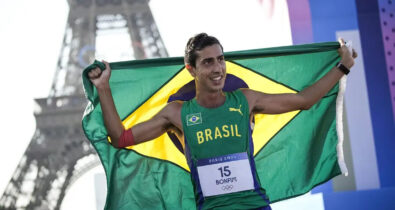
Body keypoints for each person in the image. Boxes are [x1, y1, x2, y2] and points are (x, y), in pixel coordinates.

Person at [88, 33, 357, 209]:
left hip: (255, 205)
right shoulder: (177, 113)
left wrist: (342, 67)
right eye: (207, 63)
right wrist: (103, 88)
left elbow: (304, 100)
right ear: (190, 69)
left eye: (220, 59)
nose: (217, 69)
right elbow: (120, 138)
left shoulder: (245, 100)